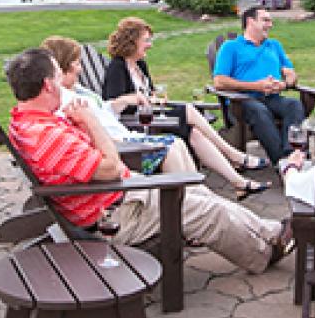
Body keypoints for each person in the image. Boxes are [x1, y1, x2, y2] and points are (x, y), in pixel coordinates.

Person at [4, 46, 293, 273]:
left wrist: (82, 127)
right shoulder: (47, 135)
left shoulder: (28, 121)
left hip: (120, 197)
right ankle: (263, 256)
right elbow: (112, 167)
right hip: (114, 216)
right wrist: (91, 123)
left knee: (199, 193)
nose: (65, 83)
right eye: (58, 76)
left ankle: (272, 231)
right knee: (208, 213)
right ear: (47, 86)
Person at [101, 18, 270, 199]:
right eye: (146, 40)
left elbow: (147, 95)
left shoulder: (140, 64)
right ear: (132, 41)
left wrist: (155, 99)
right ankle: (233, 155)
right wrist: (141, 101)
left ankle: (238, 183)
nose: (150, 45)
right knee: (188, 110)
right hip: (135, 125)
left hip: (153, 117)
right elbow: (114, 106)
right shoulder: (117, 68)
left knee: (195, 134)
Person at [212, 7, 306, 164]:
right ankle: (281, 161)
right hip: (242, 101)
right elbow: (219, 81)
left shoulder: (274, 46)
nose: (270, 24)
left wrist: (283, 84)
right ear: (250, 22)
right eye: (266, 20)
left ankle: (290, 155)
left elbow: (291, 73)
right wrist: (256, 86)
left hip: (272, 98)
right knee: (258, 110)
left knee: (294, 105)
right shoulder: (231, 47)